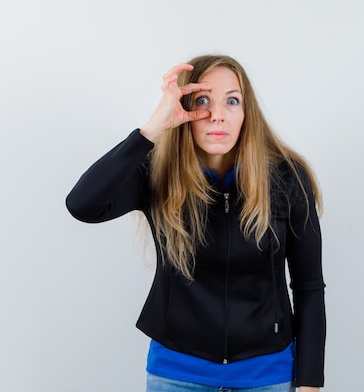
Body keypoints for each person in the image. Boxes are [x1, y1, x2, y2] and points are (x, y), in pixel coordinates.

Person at [66, 55, 326, 392]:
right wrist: (151, 129)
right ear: (184, 110)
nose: (218, 114)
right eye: (203, 101)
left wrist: (309, 384)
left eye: (232, 100)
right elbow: (82, 205)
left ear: (247, 113)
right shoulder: (156, 174)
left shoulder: (286, 178)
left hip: (267, 376)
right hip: (176, 375)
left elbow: (308, 288)